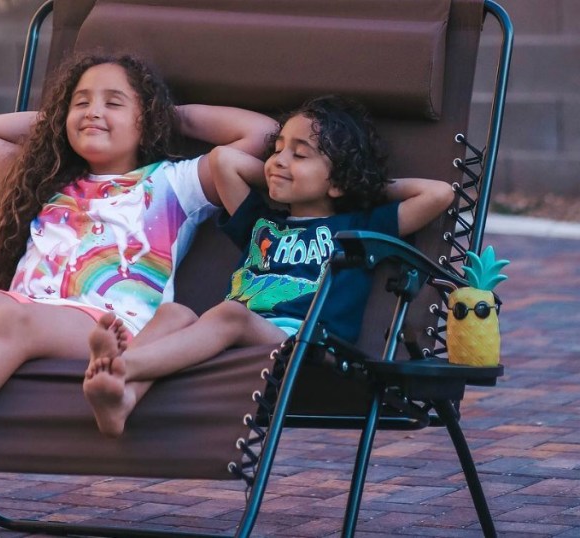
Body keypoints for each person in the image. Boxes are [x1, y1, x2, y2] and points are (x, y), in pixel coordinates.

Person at [0, 52, 277, 508]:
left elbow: (260, 133)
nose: (94, 110)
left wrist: (167, 114)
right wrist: (71, 115)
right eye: (81, 102)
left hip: (109, 326)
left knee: (15, 323)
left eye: (114, 103)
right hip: (25, 308)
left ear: (146, 120)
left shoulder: (174, 183)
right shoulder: (47, 181)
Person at [83, 95, 456, 437]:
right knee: (174, 314)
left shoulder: (359, 228)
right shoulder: (261, 223)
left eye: (300, 154)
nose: (279, 160)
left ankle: (124, 365)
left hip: (310, 350)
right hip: (240, 342)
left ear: (338, 179)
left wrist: (358, 184)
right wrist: (284, 173)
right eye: (277, 151)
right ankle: (121, 397)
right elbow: (222, 160)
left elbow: (439, 194)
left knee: (230, 314)